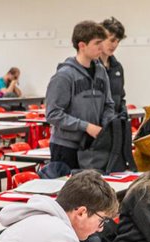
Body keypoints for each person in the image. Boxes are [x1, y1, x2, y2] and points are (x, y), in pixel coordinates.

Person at [45, 21, 117, 172]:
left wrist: (104, 127)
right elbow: (53, 114)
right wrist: (86, 126)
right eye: (97, 43)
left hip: (92, 146)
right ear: (82, 45)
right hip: (66, 146)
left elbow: (109, 104)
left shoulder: (101, 71)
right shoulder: (64, 75)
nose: (101, 47)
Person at [100, 17, 126, 116]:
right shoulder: (90, 66)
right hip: (96, 125)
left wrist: (123, 113)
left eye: (118, 41)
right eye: (112, 40)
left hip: (114, 122)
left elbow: (121, 96)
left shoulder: (117, 67)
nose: (115, 45)